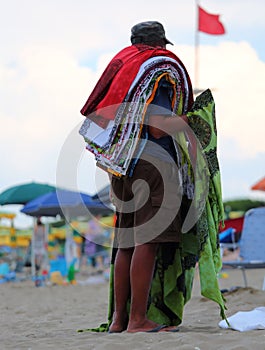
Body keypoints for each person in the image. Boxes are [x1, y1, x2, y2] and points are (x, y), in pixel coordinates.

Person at [79, 21, 226, 334]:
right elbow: (158, 125)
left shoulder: (126, 70)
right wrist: (193, 118)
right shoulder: (158, 69)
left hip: (122, 165)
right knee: (148, 240)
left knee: (127, 243)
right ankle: (137, 320)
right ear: (161, 43)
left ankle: (119, 320)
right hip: (154, 164)